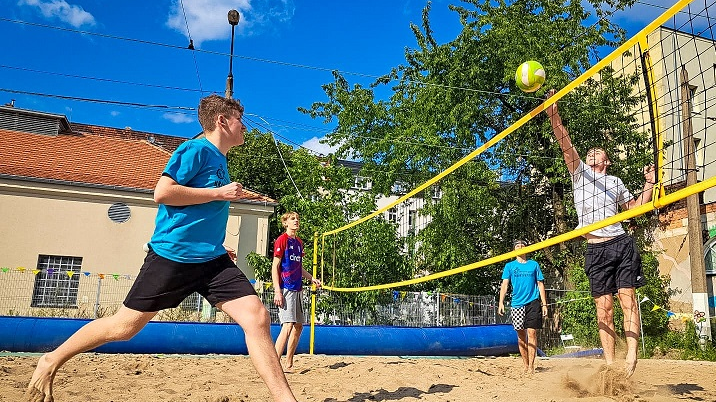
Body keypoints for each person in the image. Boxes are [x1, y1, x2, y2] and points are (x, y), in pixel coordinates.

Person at [25, 94, 299, 402]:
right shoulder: (195, 149)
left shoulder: (220, 159)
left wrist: (215, 241)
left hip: (211, 259)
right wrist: (219, 192)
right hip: (173, 258)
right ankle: (51, 359)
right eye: (241, 121)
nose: (245, 128)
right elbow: (163, 192)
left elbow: (198, 212)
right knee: (124, 327)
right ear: (222, 121)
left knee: (257, 316)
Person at [545, 89, 655, 378]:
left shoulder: (615, 181)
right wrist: (554, 114)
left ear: (606, 161)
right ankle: (610, 365)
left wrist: (649, 184)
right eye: (590, 152)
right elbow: (565, 144)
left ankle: (632, 354)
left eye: (598, 153)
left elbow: (636, 210)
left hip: (621, 243)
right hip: (595, 249)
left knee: (627, 299)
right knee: (603, 310)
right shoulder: (579, 173)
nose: (592, 153)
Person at [272, 212, 322, 372]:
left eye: (298, 219)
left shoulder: (299, 242)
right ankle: (273, 365)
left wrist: (312, 278)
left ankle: (289, 364)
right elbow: (275, 266)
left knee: (298, 326)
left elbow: (299, 268)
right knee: (287, 325)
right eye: (293, 219)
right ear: (285, 223)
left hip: (298, 288)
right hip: (286, 287)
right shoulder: (282, 240)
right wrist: (277, 291)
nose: (296, 221)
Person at [498, 239, 548, 375]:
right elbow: (504, 285)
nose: (520, 247)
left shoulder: (534, 265)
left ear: (527, 249)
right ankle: (525, 365)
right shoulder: (510, 266)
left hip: (533, 302)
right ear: (514, 250)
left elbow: (540, 284)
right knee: (521, 335)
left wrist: (544, 304)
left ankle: (531, 366)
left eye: (523, 246)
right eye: (518, 246)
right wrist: (501, 302)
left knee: (532, 333)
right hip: (517, 303)